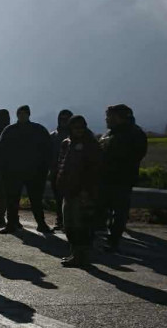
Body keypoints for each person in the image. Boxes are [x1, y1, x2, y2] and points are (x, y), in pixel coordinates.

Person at [0, 105, 52, 234]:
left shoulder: (39, 130)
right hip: (13, 173)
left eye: (24, 113)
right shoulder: (9, 130)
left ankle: (41, 224)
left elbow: (48, 150)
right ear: (17, 115)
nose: (22, 115)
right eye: (20, 113)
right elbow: (1, 151)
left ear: (29, 114)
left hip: (35, 173)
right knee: (12, 200)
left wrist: (44, 169)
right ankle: (11, 224)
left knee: (36, 200)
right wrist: (4, 170)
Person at [99, 104, 148, 251]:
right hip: (105, 179)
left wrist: (113, 163)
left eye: (110, 116)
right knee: (102, 208)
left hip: (121, 179)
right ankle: (105, 236)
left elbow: (135, 155)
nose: (107, 119)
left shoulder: (134, 133)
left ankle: (113, 241)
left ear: (120, 117)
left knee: (119, 212)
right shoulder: (109, 133)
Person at [56, 115, 101, 268]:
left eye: (81, 127)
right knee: (69, 225)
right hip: (67, 191)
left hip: (82, 192)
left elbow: (94, 171)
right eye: (76, 127)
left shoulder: (91, 144)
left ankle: (82, 256)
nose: (79, 130)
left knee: (81, 225)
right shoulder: (66, 143)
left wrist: (86, 191)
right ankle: (75, 253)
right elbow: (61, 165)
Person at [49, 109, 73, 230]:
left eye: (66, 119)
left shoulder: (78, 134)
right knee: (58, 200)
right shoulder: (52, 135)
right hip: (56, 173)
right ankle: (60, 220)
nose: (63, 121)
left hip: (73, 174)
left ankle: (70, 222)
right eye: (61, 119)